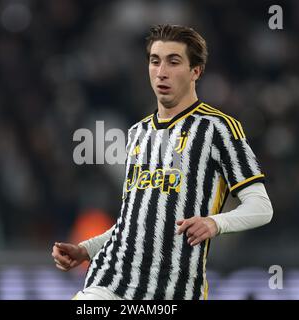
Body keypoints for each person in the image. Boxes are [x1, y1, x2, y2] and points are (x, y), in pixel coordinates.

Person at [52, 24, 273, 300]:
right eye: (155, 61)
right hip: (111, 284)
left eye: (174, 61)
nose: (161, 71)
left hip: (174, 292)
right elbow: (133, 222)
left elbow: (262, 207)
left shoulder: (219, 129)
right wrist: (87, 249)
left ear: (196, 71)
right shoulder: (137, 134)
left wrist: (215, 223)